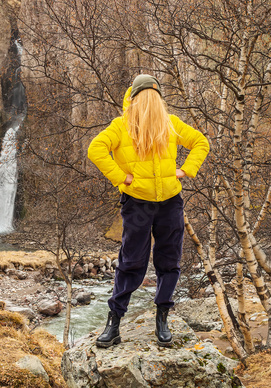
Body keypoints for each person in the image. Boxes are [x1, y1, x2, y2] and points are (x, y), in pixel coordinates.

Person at [87, 74, 209, 348]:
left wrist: (185, 170)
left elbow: (201, 142)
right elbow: (96, 149)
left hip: (170, 203)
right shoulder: (121, 126)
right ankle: (114, 321)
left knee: (169, 261)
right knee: (131, 262)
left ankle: (162, 317)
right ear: (137, 99)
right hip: (137, 203)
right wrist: (121, 177)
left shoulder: (170, 124)